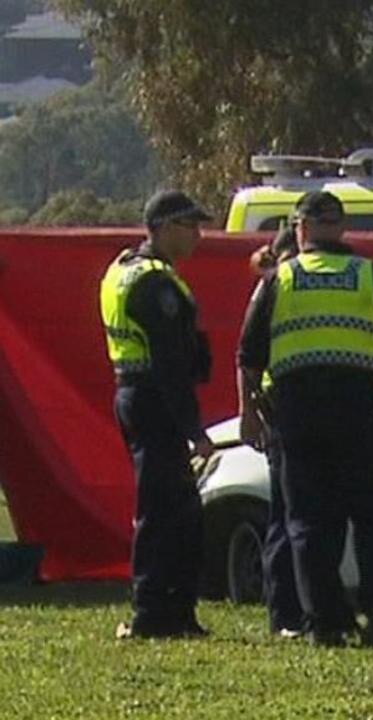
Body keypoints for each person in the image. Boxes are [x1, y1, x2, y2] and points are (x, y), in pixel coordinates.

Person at [237, 191, 373, 648]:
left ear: (299, 230)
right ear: (341, 228)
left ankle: (326, 622)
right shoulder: (370, 277)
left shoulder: (279, 279)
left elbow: (248, 355)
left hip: (297, 415)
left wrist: (247, 412)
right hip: (360, 413)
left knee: (309, 523)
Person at [100, 189, 214, 639]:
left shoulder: (123, 269)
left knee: (175, 508)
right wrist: (194, 430)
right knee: (164, 510)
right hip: (155, 400)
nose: (198, 235)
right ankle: (153, 612)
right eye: (190, 226)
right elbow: (170, 363)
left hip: (134, 393)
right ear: (164, 228)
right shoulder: (155, 283)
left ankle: (175, 612)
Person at [249, 226, 304, 638]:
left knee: (304, 516)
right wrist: (249, 412)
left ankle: (305, 607)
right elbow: (247, 356)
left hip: (306, 410)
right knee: (285, 516)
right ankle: (284, 613)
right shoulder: (271, 290)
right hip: (282, 410)